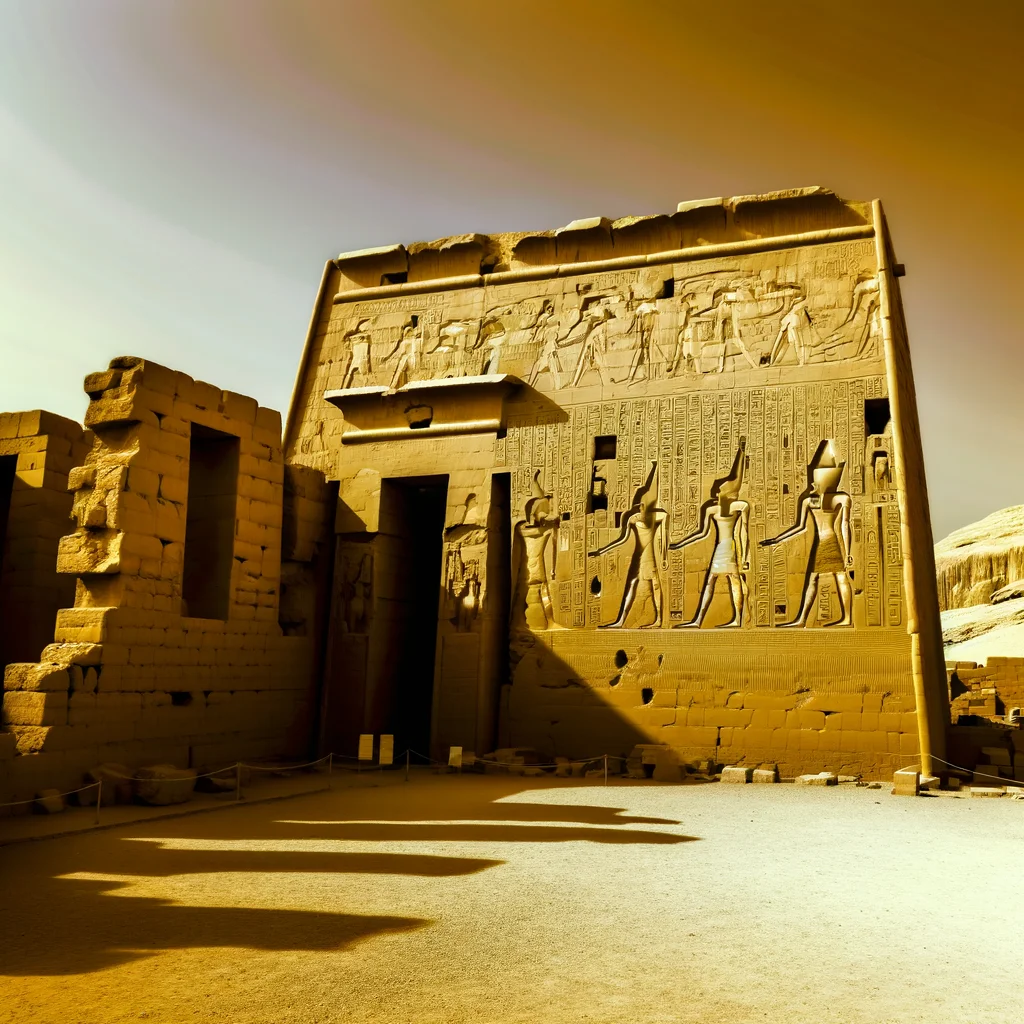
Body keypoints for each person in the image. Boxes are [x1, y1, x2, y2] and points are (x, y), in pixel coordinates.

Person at [760, 441, 854, 627]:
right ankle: (802, 619)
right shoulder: (809, 501)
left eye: (815, 479)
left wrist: (848, 552)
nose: (812, 482)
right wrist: (778, 540)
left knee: (838, 577)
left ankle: (846, 618)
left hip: (832, 542)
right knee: (817, 578)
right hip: (821, 543)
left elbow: (845, 525)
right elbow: (800, 527)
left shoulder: (840, 498)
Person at [670, 441, 749, 628]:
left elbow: (743, 530)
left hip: (729, 547)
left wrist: (742, 455)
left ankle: (735, 619)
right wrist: (681, 544)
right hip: (722, 548)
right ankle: (702, 620)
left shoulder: (739, 506)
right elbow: (702, 533)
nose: (715, 490)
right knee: (718, 581)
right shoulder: (713, 509)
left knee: (728, 580)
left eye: (719, 488)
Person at [589, 463, 669, 628]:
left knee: (654, 585)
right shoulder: (634, 518)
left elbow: (664, 538)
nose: (641, 506)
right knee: (632, 586)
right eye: (640, 503)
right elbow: (622, 539)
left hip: (649, 557)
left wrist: (665, 558)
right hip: (638, 557)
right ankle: (621, 620)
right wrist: (602, 551)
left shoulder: (658, 516)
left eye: (644, 503)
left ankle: (660, 620)